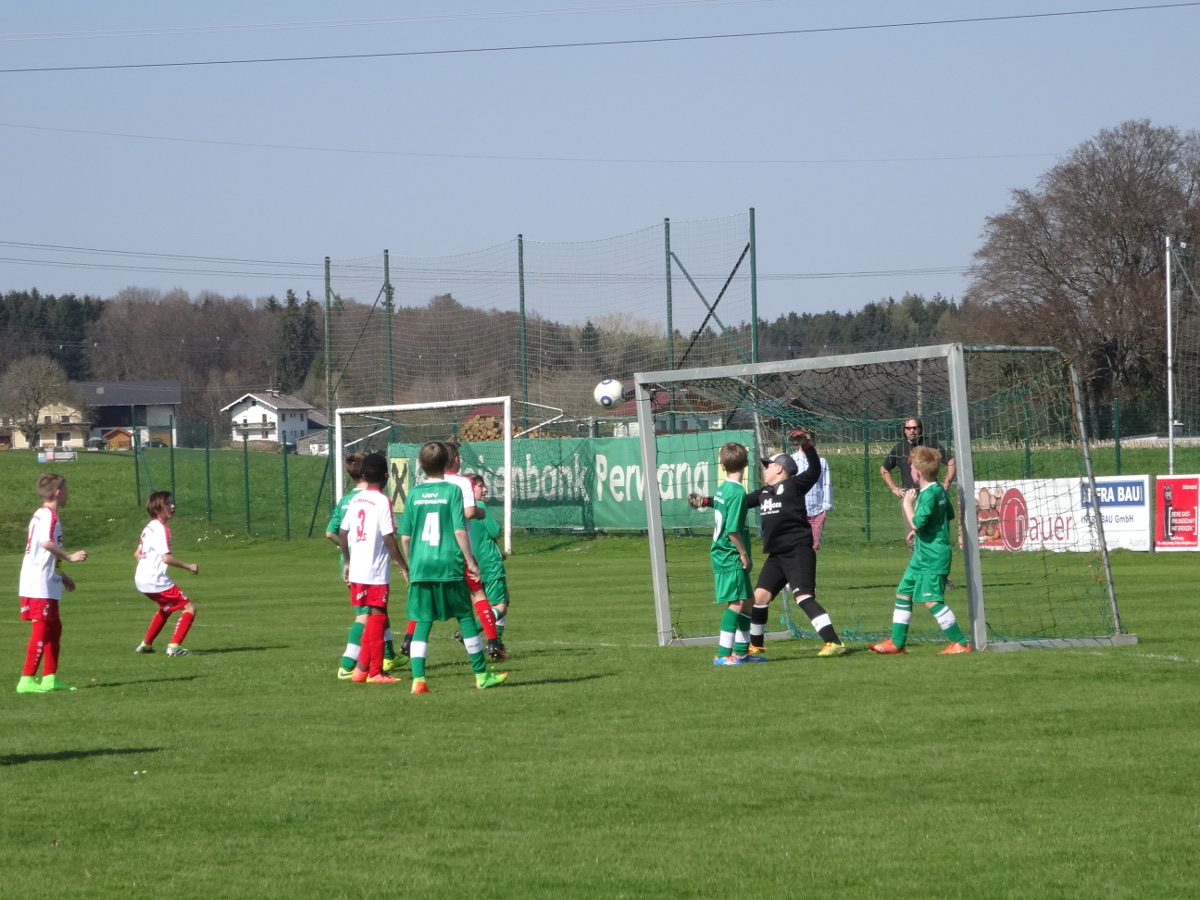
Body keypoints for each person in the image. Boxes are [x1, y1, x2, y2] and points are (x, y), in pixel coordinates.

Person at [691, 430, 846, 658]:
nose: (764, 469)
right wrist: (706, 501)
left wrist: (806, 446)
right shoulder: (764, 492)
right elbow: (737, 502)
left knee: (803, 597)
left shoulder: (794, 485)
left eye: (768, 465)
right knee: (759, 598)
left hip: (797, 551)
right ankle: (756, 646)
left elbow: (814, 471)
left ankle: (833, 642)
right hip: (776, 555)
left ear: (780, 468)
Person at [398, 441, 507, 694]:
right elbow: (459, 529)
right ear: (448, 461)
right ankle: (481, 675)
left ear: (422, 465)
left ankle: (419, 680)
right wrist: (470, 561)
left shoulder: (413, 493)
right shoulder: (453, 490)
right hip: (449, 562)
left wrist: (408, 565)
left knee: (423, 620)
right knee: (467, 617)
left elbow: (404, 536)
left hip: (421, 565)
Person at [870, 445, 972, 655]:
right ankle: (897, 643)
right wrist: (918, 533)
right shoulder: (939, 491)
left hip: (933, 556)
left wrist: (908, 504)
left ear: (917, 471)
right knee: (903, 593)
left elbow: (917, 522)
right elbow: (945, 515)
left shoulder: (926, 495)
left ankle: (960, 643)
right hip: (921, 555)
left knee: (931, 599)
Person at [326, 452, 401, 680]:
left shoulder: (351, 499)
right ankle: (358, 667)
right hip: (372, 568)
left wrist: (348, 559)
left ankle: (373, 662)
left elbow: (335, 531)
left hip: (354, 565)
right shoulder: (380, 499)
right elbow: (388, 537)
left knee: (374, 613)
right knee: (371, 615)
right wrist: (403, 565)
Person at [687, 442, 757, 666]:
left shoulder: (723, 488)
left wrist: (704, 501)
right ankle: (722, 654)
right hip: (729, 554)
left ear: (722, 465)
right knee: (736, 604)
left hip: (726, 553)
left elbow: (718, 505)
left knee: (748, 600)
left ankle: (741, 651)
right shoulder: (737, 492)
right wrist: (744, 554)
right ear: (746, 464)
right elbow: (733, 530)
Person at [17, 473, 87, 694]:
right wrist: (70, 557)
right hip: (38, 583)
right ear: (58, 493)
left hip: (44, 579)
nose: (67, 493)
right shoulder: (49, 516)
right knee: (41, 629)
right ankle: (27, 680)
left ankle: (49, 678)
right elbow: (46, 543)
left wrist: (62, 575)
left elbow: (41, 549)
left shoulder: (40, 514)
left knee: (54, 629)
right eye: (65, 489)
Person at [134, 491, 201, 657]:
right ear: (158, 509)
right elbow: (166, 558)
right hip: (156, 580)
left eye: (172, 502)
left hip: (141, 580)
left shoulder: (149, 527)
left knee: (166, 608)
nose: (173, 506)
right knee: (190, 608)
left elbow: (137, 554)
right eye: (168, 504)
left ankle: (146, 644)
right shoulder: (161, 529)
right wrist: (188, 566)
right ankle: (174, 646)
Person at [880, 417, 955, 547]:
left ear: (920, 429)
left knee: (934, 534)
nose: (912, 431)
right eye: (908, 428)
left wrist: (946, 483)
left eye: (915, 428)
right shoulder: (899, 448)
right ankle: (916, 560)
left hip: (930, 495)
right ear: (904, 431)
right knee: (913, 540)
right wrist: (894, 488)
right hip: (910, 497)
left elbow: (951, 462)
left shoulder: (930, 444)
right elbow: (884, 469)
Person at [466, 473, 511, 643]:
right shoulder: (479, 506)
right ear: (470, 489)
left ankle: (495, 644)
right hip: (489, 564)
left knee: (484, 604)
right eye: (480, 486)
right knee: (501, 604)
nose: (485, 489)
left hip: (472, 566)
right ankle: (476, 634)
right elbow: (495, 531)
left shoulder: (459, 508)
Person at [790, 434, 833, 549]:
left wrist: (825, 508)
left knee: (813, 546)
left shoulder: (821, 461)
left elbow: (826, 485)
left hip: (816, 510)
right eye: (803, 439)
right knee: (798, 545)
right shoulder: (792, 460)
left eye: (808, 440)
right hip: (797, 511)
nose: (805, 442)